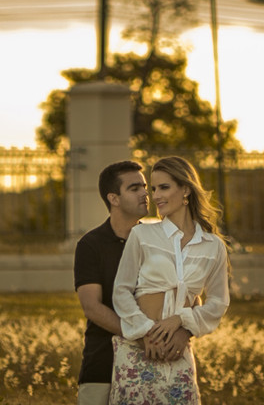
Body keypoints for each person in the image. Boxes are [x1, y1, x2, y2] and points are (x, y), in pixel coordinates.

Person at [110, 156, 230, 404]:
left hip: (177, 349)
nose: (155, 196)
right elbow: (121, 291)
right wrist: (145, 333)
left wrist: (184, 326)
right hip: (138, 348)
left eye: (164, 187)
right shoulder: (142, 234)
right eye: (153, 189)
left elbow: (218, 302)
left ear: (185, 189)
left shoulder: (212, 245)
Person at [74, 160, 148, 405]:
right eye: (134, 188)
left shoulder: (157, 241)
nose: (145, 193)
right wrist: (140, 338)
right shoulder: (90, 245)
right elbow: (92, 307)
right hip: (103, 362)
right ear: (114, 199)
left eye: (145, 186)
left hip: (155, 361)